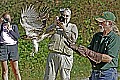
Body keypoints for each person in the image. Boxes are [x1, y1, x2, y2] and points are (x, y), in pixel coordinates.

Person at [69, 11, 120, 80]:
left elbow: (108, 58)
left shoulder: (114, 38)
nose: (99, 24)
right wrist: (76, 48)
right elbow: (89, 53)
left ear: (110, 23)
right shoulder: (97, 36)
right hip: (95, 72)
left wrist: (88, 52)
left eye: (102, 22)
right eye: (99, 22)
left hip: (107, 74)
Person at [43, 8, 78, 80]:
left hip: (65, 55)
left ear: (70, 17)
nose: (65, 17)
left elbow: (73, 39)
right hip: (53, 53)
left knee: (65, 77)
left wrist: (64, 28)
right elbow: (45, 33)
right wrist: (54, 25)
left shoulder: (72, 27)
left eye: (67, 16)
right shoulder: (55, 26)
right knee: (49, 77)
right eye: (63, 15)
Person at [0, 13, 21, 80]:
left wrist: (10, 30)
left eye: (8, 19)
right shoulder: (1, 27)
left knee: (16, 70)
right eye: (6, 19)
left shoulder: (14, 26)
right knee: (4, 70)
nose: (7, 20)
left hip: (13, 47)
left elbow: (17, 37)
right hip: (3, 47)